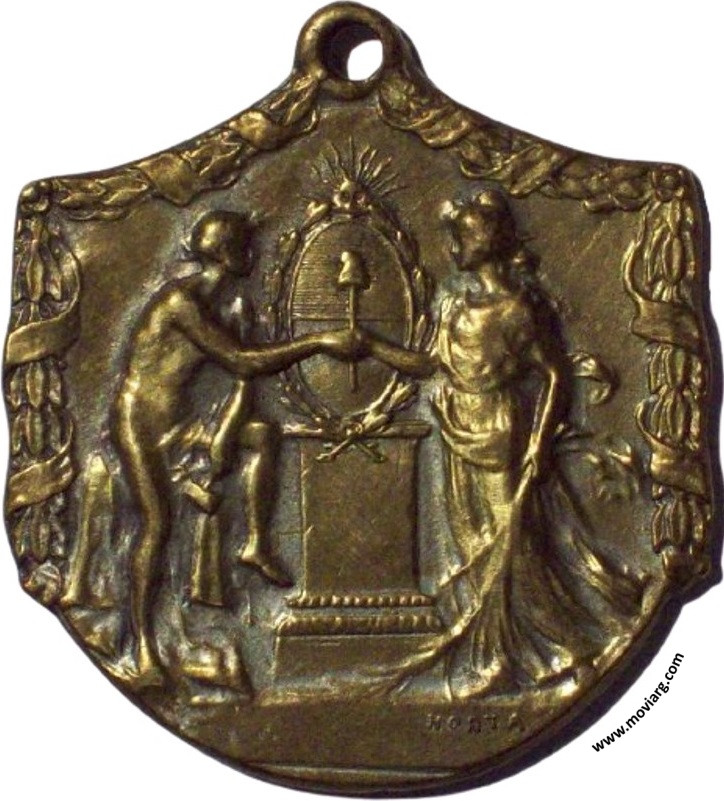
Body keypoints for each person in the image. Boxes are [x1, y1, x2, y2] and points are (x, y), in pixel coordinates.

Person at [361, 189, 641, 697]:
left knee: (510, 548)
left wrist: (539, 443)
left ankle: (556, 654)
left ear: (487, 241)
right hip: (457, 430)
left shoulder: (517, 309)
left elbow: (554, 375)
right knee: (473, 544)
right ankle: (499, 657)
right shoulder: (454, 306)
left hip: (501, 431)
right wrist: (372, 346)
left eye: (462, 237)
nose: (453, 247)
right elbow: (429, 366)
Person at [112, 210, 362, 687]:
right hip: (141, 424)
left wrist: (225, 431)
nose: (253, 253)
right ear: (229, 254)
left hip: (184, 421)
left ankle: (256, 544)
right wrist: (320, 341)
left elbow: (241, 373)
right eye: (247, 245)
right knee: (156, 524)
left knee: (263, 435)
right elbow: (241, 362)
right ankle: (142, 645)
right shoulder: (181, 303)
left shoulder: (218, 306)